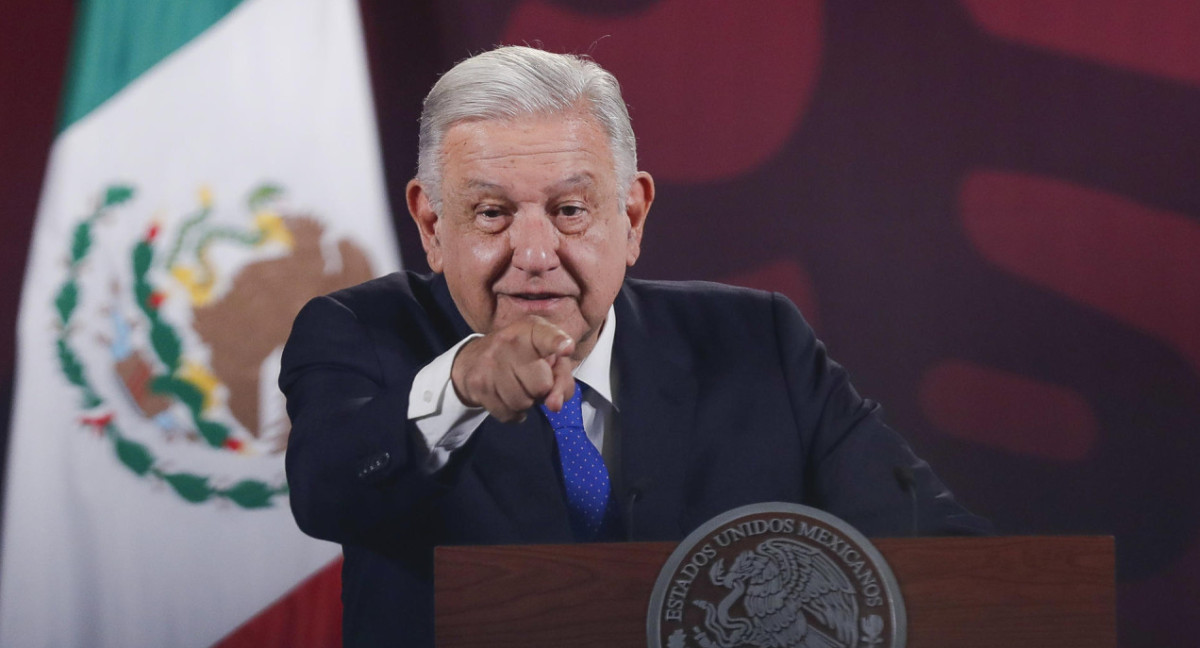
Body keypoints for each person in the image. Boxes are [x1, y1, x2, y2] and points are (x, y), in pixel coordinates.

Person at [281, 45, 989, 647]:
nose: (534, 252)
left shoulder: (756, 340)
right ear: (432, 225)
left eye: (570, 210)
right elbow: (325, 490)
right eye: (491, 213)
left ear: (633, 214)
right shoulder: (358, 331)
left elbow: (946, 555)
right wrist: (462, 384)